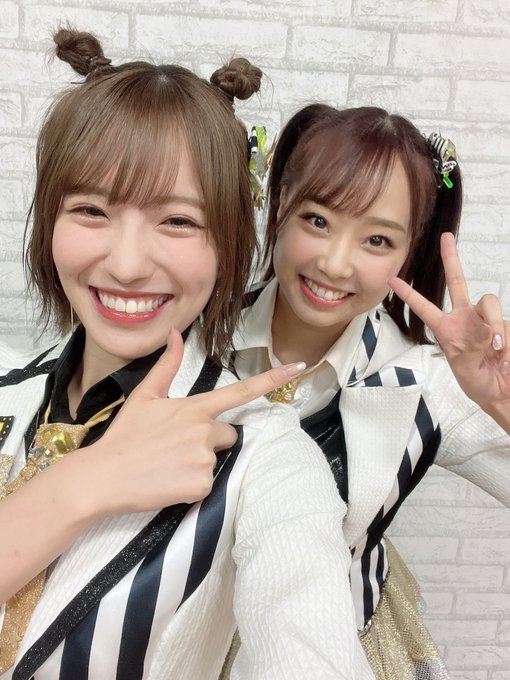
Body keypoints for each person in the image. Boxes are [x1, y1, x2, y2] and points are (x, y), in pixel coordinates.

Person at [0, 34, 375, 680]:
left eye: (177, 221)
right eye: (90, 209)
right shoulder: (7, 388)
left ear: (228, 243)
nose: (125, 264)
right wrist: (86, 482)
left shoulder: (265, 456)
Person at [232, 103, 510, 680]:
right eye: (317, 220)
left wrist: (502, 402)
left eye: (377, 239)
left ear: (411, 251)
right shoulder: (198, 336)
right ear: (280, 204)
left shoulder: (426, 381)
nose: (335, 263)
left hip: (340, 643)